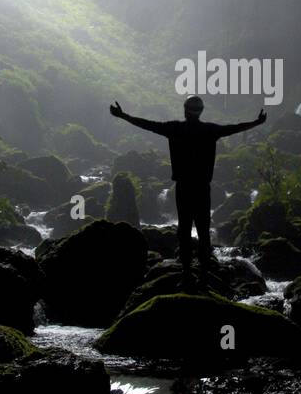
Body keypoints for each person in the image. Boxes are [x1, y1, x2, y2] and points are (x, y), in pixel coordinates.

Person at [110, 95, 267, 279]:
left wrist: (123, 115)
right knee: (203, 230)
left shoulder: (174, 128)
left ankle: (186, 272)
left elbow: (147, 124)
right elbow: (234, 128)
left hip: (183, 188)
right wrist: (257, 122)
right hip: (202, 188)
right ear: (201, 111)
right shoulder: (210, 130)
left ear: (185, 110)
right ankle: (204, 273)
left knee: (184, 230)